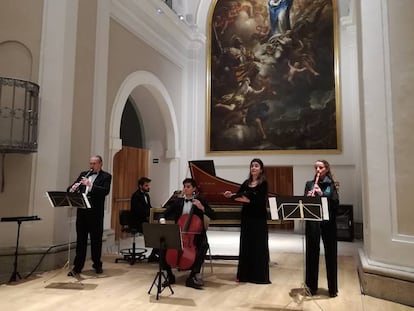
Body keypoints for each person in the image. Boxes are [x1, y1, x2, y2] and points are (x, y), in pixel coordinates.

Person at [159, 178, 216, 289]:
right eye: (184, 186)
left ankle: (192, 276)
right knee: (161, 247)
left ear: (194, 188)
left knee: (203, 246)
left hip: (196, 235)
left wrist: (202, 208)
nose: (185, 189)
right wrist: (162, 220)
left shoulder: (200, 200)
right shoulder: (178, 201)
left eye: (188, 186)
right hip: (179, 233)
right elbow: (163, 214)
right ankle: (170, 276)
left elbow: (213, 215)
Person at [224, 158, 271, 284]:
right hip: (247, 217)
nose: (253, 168)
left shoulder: (263, 183)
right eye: (252, 166)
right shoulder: (246, 183)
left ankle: (259, 276)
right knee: (246, 244)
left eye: (256, 166)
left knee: (258, 245)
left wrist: (246, 199)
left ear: (261, 169)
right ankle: (244, 275)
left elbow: (260, 200)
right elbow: (238, 196)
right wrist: (231, 195)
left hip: (258, 218)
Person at [67, 155, 112, 276]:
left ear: (100, 164)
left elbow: (105, 191)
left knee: (96, 240)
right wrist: (72, 189)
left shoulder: (106, 176)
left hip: (96, 214)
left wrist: (90, 185)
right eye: (90, 163)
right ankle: (77, 267)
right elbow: (72, 187)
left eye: (94, 164)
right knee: (81, 240)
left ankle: (97, 264)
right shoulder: (84, 174)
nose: (91, 166)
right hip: (82, 212)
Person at [304, 159, 339, 297]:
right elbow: (304, 205)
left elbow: (335, 204)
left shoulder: (331, 184)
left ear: (327, 169)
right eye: (316, 168)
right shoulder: (309, 184)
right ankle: (311, 287)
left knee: (331, 255)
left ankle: (332, 289)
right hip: (313, 223)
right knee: (311, 254)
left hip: (328, 223)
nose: (317, 170)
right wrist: (308, 197)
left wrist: (321, 194)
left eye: (320, 167)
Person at [130, 177, 158, 262]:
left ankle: (154, 254)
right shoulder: (136, 196)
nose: (148, 187)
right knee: (156, 232)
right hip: (138, 222)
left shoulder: (147, 195)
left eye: (148, 185)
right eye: (146, 185)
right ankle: (153, 255)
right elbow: (139, 211)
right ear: (140, 186)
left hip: (144, 220)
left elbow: (148, 208)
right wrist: (150, 212)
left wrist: (156, 210)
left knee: (160, 229)